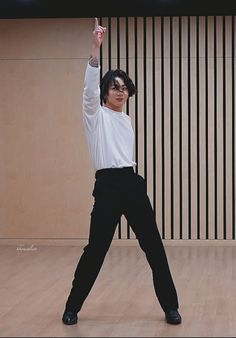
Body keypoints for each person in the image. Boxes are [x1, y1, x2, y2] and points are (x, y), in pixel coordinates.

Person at [62, 17, 182, 326]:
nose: (120, 91)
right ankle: (72, 307)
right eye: (114, 87)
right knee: (96, 250)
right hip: (108, 186)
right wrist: (95, 49)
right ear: (104, 93)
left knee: (153, 246)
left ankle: (170, 307)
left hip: (131, 183)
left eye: (124, 87)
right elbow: (88, 91)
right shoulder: (95, 115)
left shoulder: (125, 120)